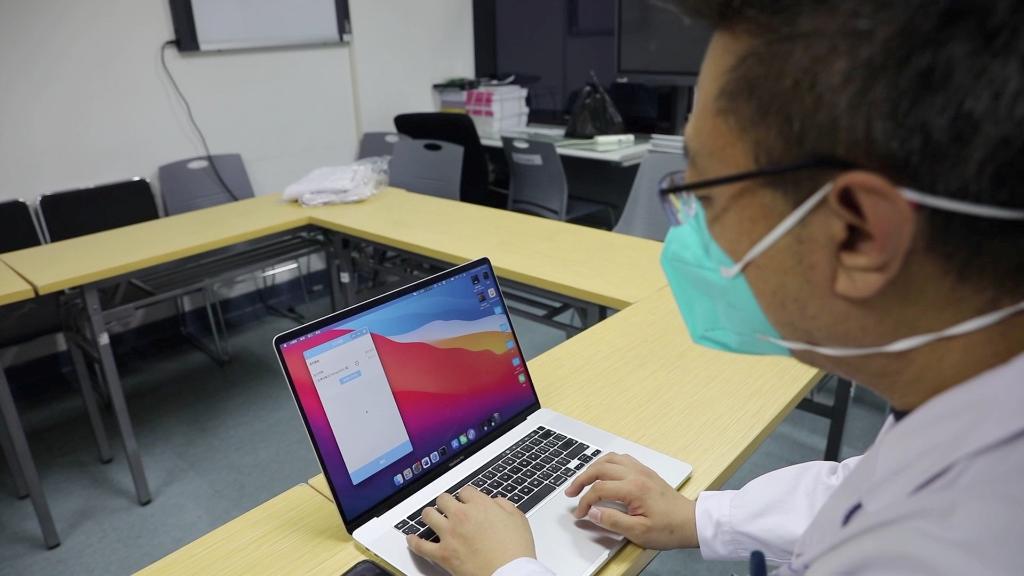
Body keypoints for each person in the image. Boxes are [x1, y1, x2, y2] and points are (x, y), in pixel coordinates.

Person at [404, 1, 1024, 574]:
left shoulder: (949, 551)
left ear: (858, 235)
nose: (687, 234)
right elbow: (863, 488)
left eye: (705, 194)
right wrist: (700, 516)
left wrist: (508, 569)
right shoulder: (966, 408)